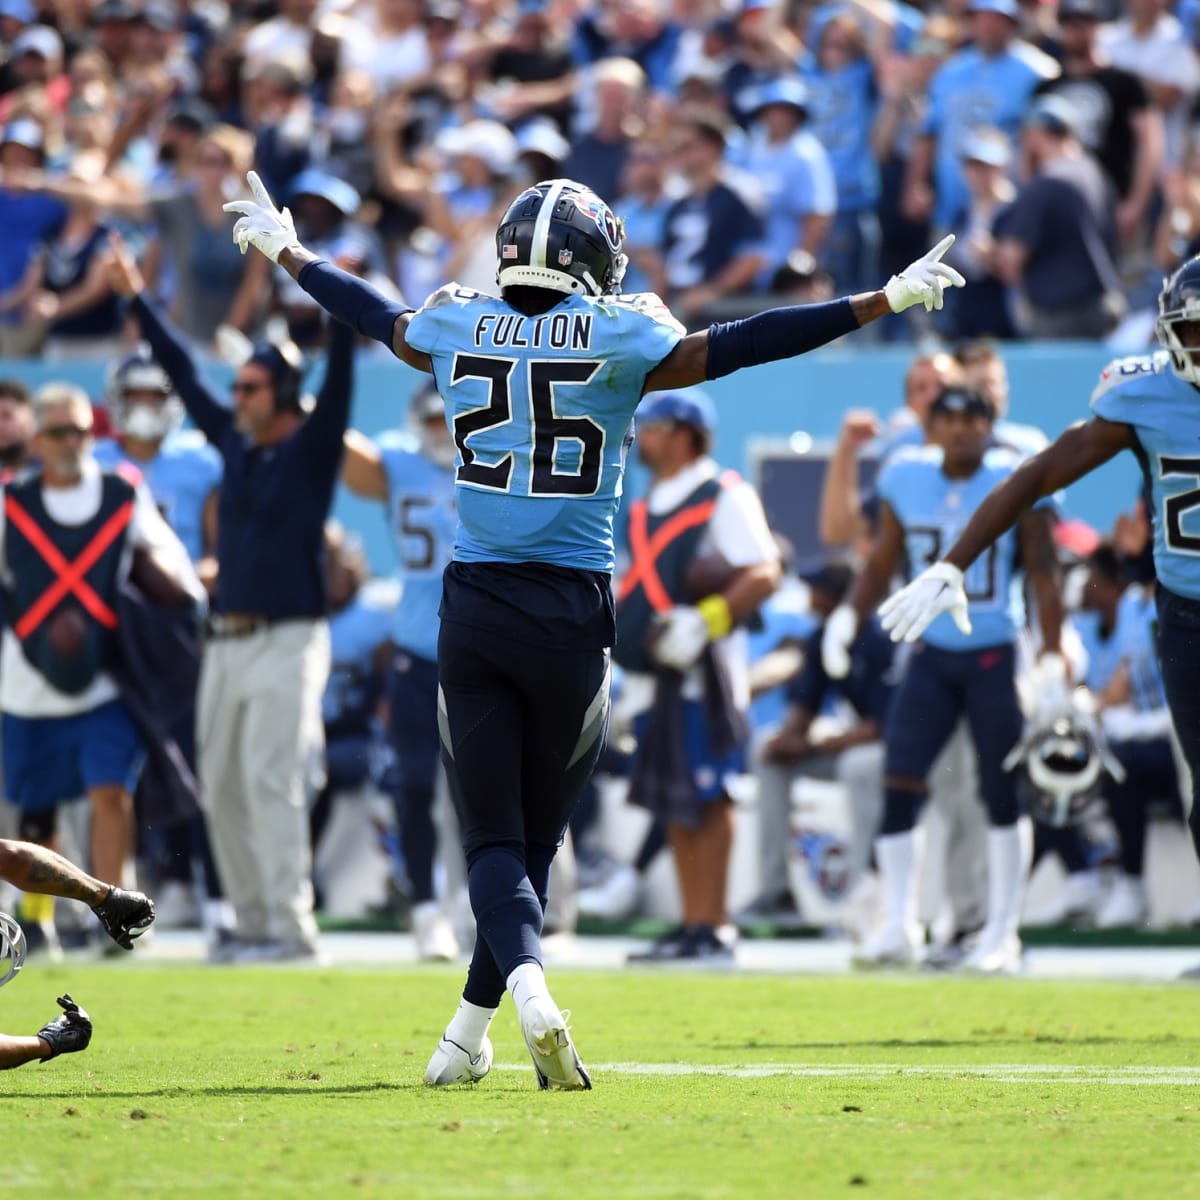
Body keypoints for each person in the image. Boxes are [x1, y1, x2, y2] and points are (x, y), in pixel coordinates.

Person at [221, 169, 963, 1087]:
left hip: (476, 606)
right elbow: (743, 344)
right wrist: (879, 299)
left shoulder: (456, 320)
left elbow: (371, 312)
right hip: (570, 611)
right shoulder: (621, 330)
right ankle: (522, 997)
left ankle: (466, 1033)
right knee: (533, 838)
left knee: (494, 839)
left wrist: (290, 253)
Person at [105, 230, 356, 966]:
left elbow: (339, 377)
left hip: (289, 637)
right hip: (227, 640)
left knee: (272, 781)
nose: (236, 397)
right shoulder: (239, 447)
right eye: (239, 386)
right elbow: (184, 376)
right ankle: (250, 924)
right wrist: (135, 301)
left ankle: (289, 927)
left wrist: (334, 295)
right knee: (224, 782)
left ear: (281, 395)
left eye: (250, 387)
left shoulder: (310, 450)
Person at [824, 385, 1066, 973]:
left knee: (1000, 790)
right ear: (932, 426)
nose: (960, 429)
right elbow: (882, 558)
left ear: (990, 423)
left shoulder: (1016, 476)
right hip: (931, 652)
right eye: (949, 419)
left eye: (971, 418)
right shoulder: (905, 476)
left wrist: (1054, 653)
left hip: (993, 651)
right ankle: (899, 924)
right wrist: (846, 615)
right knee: (900, 779)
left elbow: (1042, 572)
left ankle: (1001, 932)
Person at [0, 382, 199, 954]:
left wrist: (176, 586)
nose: (73, 442)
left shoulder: (121, 493)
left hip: (105, 681)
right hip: (26, 682)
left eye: (83, 430)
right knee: (36, 811)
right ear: (37, 439)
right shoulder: (12, 503)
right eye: (60, 431)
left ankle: (110, 915)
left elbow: (168, 560)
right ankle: (38, 921)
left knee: (110, 792)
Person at [614, 388, 782, 965]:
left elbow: (764, 572)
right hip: (657, 675)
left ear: (684, 433)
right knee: (674, 804)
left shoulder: (724, 494)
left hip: (707, 676)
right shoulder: (642, 503)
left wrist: (705, 620)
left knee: (711, 799)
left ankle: (716, 925)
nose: (643, 435)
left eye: (653, 425)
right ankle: (692, 923)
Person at [94, 343, 224, 932]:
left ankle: (184, 876)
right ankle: (127, 878)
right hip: (108, 623)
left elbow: (224, 540)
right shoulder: (93, 458)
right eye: (135, 395)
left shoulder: (201, 462)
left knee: (185, 749)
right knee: (114, 755)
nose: (144, 407)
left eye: (155, 395)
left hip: (176, 623)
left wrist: (206, 571)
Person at [339, 383, 461, 961]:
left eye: (452, 416)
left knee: (487, 791)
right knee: (415, 786)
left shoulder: (501, 456)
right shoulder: (400, 461)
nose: (444, 428)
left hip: (483, 651)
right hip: (418, 649)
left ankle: (485, 908)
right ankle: (427, 910)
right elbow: (343, 454)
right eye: (433, 418)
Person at [745, 560, 896, 925]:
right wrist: (789, 738)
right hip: (857, 739)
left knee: (857, 765)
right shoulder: (822, 636)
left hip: (898, 750)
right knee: (767, 754)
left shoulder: (878, 636)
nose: (809, 597)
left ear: (833, 597)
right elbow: (806, 705)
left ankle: (861, 897)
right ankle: (776, 893)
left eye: (816, 590)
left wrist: (814, 746)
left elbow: (881, 726)